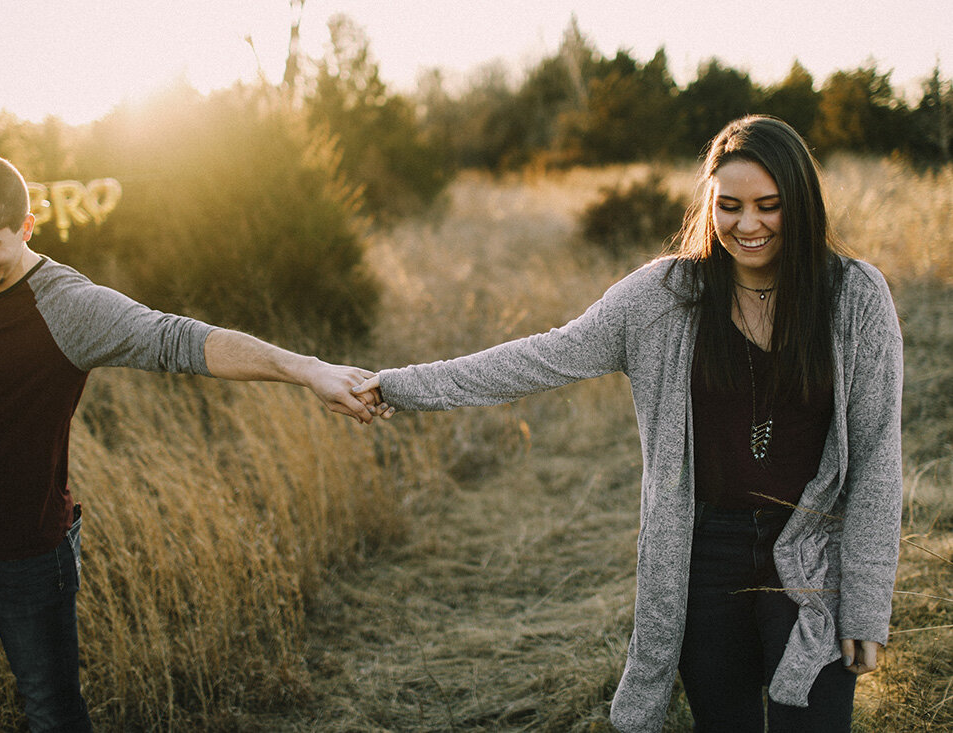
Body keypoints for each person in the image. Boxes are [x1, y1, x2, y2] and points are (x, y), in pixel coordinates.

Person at [354, 116, 902, 732]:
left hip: (812, 550)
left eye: (768, 206)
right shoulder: (663, 298)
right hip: (704, 554)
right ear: (709, 204)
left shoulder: (855, 298)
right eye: (729, 206)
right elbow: (538, 358)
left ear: (800, 204)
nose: (747, 226)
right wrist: (396, 386)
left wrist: (866, 602)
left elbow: (879, 457)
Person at [0, 151, 385, 732]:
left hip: (26, 554)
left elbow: (178, 338)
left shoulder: (67, 306)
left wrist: (307, 369)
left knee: (53, 717)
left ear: (25, 227)